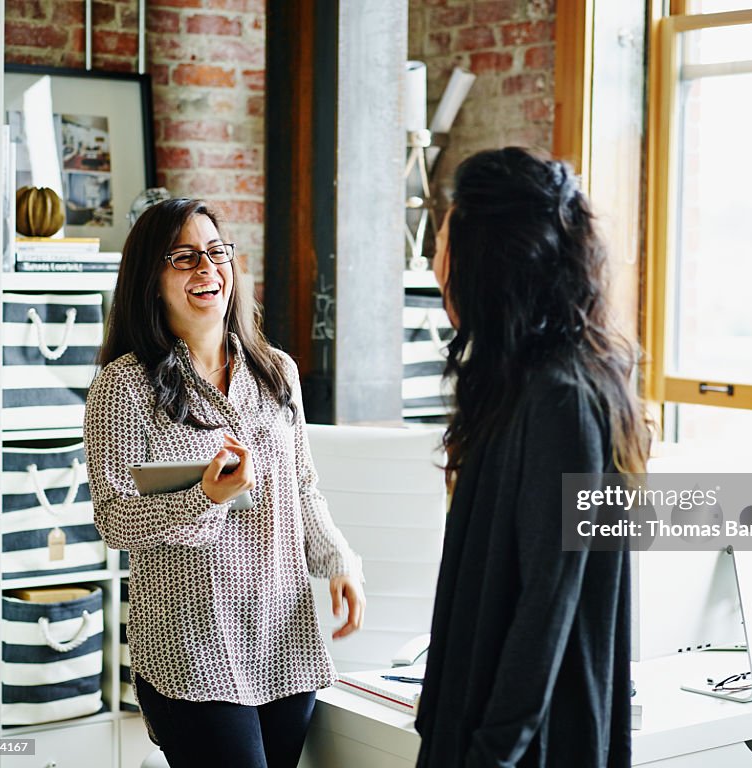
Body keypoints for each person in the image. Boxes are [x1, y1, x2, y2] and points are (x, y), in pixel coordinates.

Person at [84, 198, 365, 768]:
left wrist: (339, 559)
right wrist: (202, 499)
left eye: (216, 252)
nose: (207, 268)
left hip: (283, 640)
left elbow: (303, 487)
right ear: (150, 278)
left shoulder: (276, 370)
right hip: (190, 646)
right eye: (184, 257)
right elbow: (112, 517)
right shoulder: (124, 386)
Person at [415, 148, 650, 767]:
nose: (437, 263)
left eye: (446, 243)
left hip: (528, 745)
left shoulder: (562, 401)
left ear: (488, 263)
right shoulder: (517, 383)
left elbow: (547, 605)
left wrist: (490, 754)